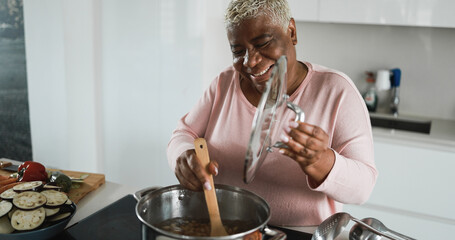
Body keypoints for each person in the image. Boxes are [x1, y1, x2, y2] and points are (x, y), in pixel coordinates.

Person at [167, 0, 377, 226]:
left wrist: (322, 162)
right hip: (226, 229)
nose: (251, 61)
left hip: (301, 233)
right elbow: (183, 133)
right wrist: (183, 155)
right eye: (238, 51)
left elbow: (363, 188)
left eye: (263, 43)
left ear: (292, 32)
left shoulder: (337, 91)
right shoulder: (224, 83)